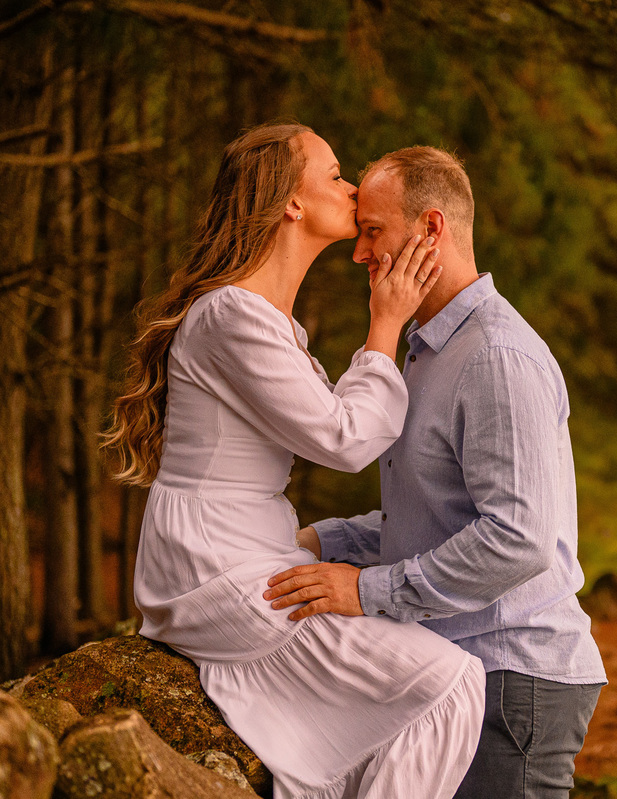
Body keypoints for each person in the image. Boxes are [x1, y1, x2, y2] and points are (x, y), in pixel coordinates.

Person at [104, 124, 485, 799]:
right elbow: (345, 439)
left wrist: (313, 541)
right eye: (335, 174)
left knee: (399, 713)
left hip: (242, 554)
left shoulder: (263, 319)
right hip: (212, 568)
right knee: (451, 681)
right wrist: (385, 324)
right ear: (291, 202)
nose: (351, 188)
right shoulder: (231, 315)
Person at [264, 147, 607, 799]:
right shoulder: (430, 352)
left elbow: (518, 539)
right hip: (461, 675)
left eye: (373, 231)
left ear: (430, 228)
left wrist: (367, 590)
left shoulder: (496, 356)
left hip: (512, 680)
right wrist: (324, 542)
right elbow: (438, 519)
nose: (359, 253)